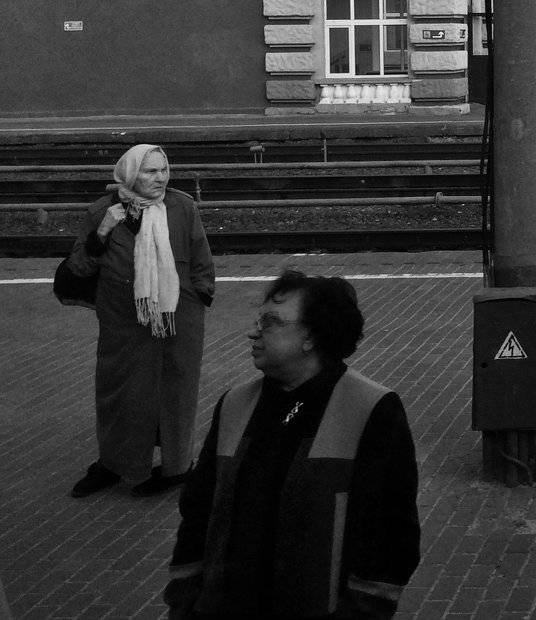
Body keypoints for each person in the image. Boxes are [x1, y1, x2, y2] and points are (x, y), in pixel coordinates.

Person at [166, 270, 420, 620]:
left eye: (270, 322)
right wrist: (185, 599)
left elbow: (391, 533)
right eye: (258, 321)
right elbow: (198, 510)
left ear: (311, 336)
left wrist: (364, 609)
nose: (254, 331)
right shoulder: (236, 404)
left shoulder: (371, 409)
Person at [65, 143, 216, 498]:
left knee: (176, 390)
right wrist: (102, 232)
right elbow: (79, 267)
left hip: (177, 317)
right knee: (119, 389)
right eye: (150, 171)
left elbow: (201, 257)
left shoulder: (182, 207)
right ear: (131, 173)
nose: (160, 178)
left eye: (164, 170)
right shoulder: (102, 210)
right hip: (122, 318)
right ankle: (114, 464)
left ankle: (177, 468)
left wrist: (200, 294)